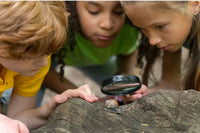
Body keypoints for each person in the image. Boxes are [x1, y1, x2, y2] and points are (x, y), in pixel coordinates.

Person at [0, 1, 98, 132]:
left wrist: (49, 110)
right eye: (32, 53)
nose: (44, 63)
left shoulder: (33, 65)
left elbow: (18, 118)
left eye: (47, 53)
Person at [42, 1, 140, 98]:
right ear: (70, 5)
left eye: (118, 11)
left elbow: (129, 52)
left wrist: (127, 86)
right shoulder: (50, 24)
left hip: (102, 59)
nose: (107, 24)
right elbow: (39, 70)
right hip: (46, 61)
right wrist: (82, 96)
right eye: (94, 11)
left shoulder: (129, 23)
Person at [121, 1, 200, 102]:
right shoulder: (173, 38)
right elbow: (170, 85)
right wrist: (144, 96)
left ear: (194, 5)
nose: (152, 41)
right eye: (143, 29)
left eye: (160, 26)